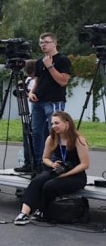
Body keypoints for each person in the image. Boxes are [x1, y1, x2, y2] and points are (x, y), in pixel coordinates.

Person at [14, 111, 90, 225]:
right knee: (36, 181)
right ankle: (24, 213)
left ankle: (42, 210)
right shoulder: (51, 138)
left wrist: (66, 174)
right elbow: (45, 158)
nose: (54, 126)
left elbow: (85, 164)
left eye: (57, 123)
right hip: (58, 171)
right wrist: (52, 164)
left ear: (67, 123)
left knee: (49, 186)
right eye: (52, 123)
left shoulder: (78, 140)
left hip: (76, 175)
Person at [28, 32, 72, 170]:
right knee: (36, 132)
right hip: (38, 101)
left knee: (53, 131)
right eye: (41, 43)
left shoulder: (62, 60)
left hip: (53, 101)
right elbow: (37, 80)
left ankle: (54, 163)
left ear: (54, 43)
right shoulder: (39, 61)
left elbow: (63, 81)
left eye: (46, 42)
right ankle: (39, 162)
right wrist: (31, 92)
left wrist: (50, 66)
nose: (43, 45)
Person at [14, 59, 38, 172]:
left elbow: (35, 95)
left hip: (34, 113)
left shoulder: (38, 80)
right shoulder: (28, 80)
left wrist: (27, 93)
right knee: (26, 141)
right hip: (25, 113)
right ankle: (28, 163)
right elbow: (20, 92)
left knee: (34, 140)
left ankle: (36, 163)